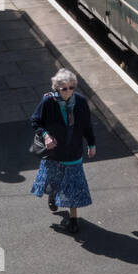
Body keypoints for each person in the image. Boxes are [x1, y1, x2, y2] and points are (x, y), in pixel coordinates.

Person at [30, 69, 96, 233]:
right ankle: (53, 196)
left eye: (71, 87)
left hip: (74, 152)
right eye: (64, 88)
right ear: (56, 88)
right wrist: (45, 135)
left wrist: (91, 144)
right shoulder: (48, 102)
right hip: (55, 153)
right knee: (54, 179)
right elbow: (35, 121)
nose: (69, 91)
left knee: (73, 187)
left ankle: (73, 220)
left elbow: (87, 125)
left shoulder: (80, 101)